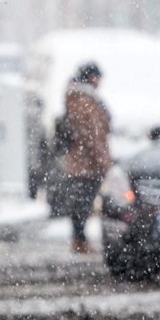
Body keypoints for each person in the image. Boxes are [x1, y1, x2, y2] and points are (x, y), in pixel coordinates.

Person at [63, 62, 112, 254]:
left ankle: (79, 240)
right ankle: (79, 241)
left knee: (81, 203)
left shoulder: (79, 97)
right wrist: (105, 163)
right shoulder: (84, 100)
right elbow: (93, 135)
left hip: (81, 161)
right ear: (92, 77)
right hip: (86, 163)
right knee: (82, 203)